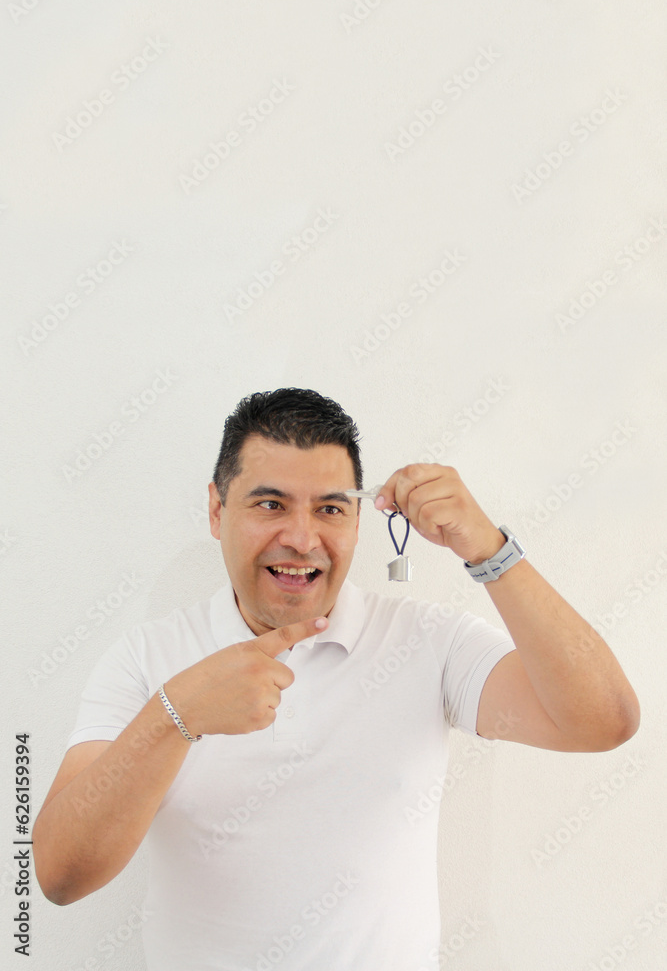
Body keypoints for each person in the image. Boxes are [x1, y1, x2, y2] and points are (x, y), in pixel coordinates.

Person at [34, 387, 640, 971]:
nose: (302, 540)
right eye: (270, 505)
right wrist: (177, 715)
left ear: (357, 519)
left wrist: (489, 549)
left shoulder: (429, 642)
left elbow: (603, 720)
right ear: (217, 511)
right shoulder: (145, 657)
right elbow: (60, 876)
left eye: (329, 509)